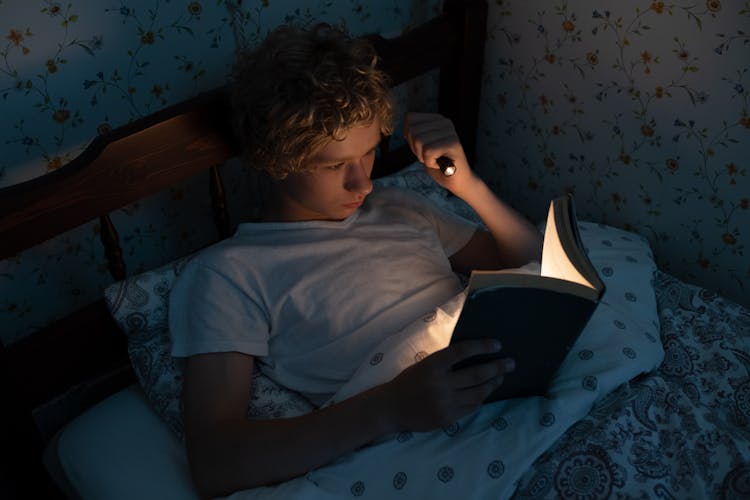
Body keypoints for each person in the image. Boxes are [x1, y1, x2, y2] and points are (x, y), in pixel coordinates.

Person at [168, 23, 542, 498]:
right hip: (421, 439)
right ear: (274, 159)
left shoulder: (398, 205)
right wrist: (391, 407)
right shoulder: (231, 273)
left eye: (368, 153)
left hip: (504, 399)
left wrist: (468, 185)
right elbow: (215, 461)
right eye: (332, 165)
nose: (362, 183)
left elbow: (533, 264)